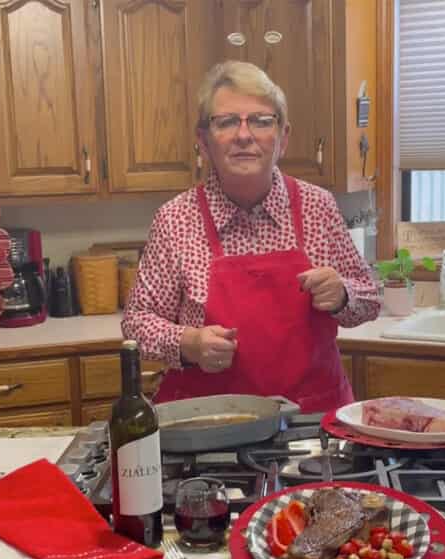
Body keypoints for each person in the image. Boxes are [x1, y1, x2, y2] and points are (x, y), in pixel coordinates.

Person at [122, 61, 380, 413]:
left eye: (260, 121)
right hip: (209, 425)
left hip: (311, 423)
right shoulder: (176, 219)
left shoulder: (318, 207)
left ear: (283, 138)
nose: (244, 135)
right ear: (203, 141)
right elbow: (136, 322)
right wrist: (189, 342)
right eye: (226, 122)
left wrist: (342, 295)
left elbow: (369, 297)